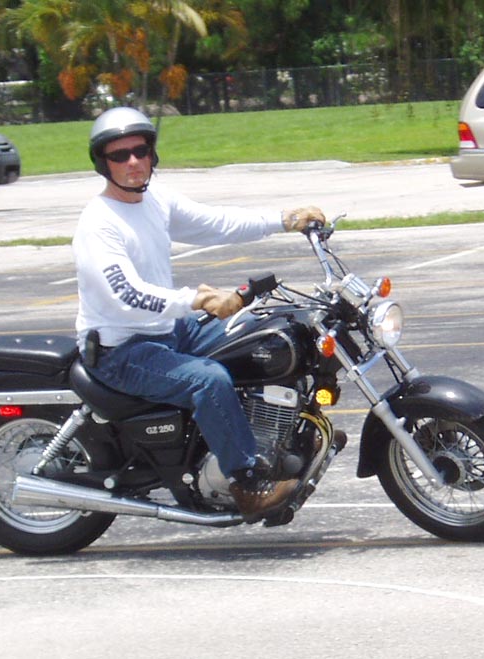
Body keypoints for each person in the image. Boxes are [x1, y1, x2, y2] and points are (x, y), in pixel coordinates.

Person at [73, 106, 325, 520]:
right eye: (120, 155)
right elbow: (126, 294)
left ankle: (285, 436)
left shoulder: (154, 200)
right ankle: (247, 484)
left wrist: (283, 220)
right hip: (122, 350)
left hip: (169, 330)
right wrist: (197, 299)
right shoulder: (99, 223)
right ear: (103, 163)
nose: (133, 161)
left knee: (260, 333)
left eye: (140, 151)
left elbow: (216, 223)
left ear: (152, 153)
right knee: (209, 381)